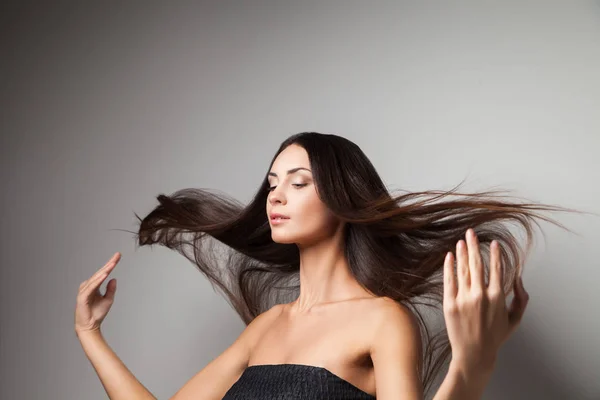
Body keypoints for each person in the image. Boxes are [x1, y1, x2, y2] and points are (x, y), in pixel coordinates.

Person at [75, 132, 579, 399]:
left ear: (341, 197)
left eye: (298, 182)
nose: (276, 195)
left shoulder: (382, 319)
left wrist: (474, 365)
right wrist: (91, 336)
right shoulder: (267, 327)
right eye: (272, 182)